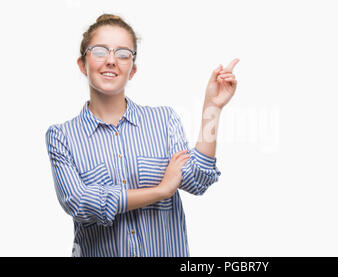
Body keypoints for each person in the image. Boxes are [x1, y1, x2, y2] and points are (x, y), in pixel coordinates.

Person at [45, 13, 239, 257]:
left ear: (133, 70)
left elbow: (197, 181)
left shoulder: (164, 120)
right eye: (100, 51)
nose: (112, 61)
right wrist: (160, 191)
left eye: (123, 53)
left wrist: (213, 107)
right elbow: (80, 202)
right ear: (82, 64)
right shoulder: (62, 136)